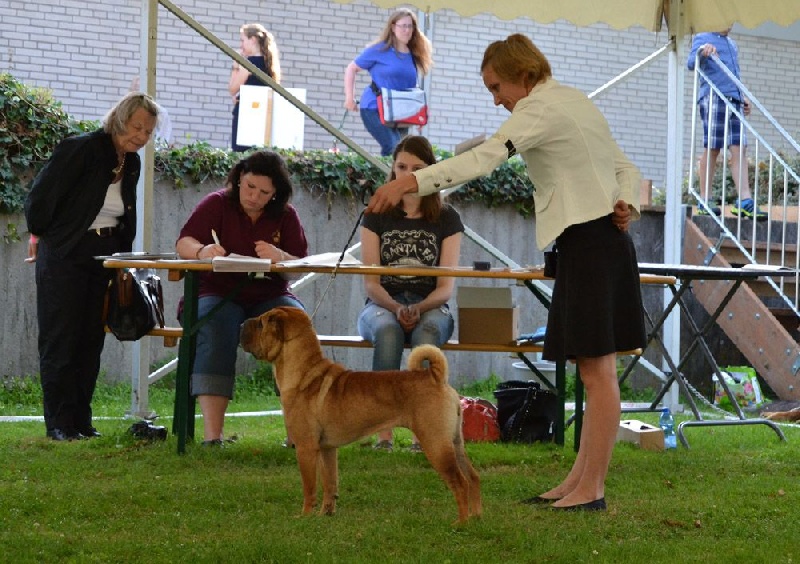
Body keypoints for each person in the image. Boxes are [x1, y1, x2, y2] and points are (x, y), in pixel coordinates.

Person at [366, 34, 644, 511]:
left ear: (525, 75)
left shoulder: (538, 108)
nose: (496, 99)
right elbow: (625, 167)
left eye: (497, 87)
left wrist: (412, 182)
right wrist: (626, 200)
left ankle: (591, 489)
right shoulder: (574, 101)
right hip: (591, 242)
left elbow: (486, 156)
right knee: (592, 371)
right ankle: (578, 482)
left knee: (598, 374)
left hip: (592, 244)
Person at [24, 92, 161, 441]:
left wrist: (124, 259)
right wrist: (40, 235)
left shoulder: (131, 162)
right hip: (67, 251)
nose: (142, 136)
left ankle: (81, 421)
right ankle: (59, 424)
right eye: (137, 127)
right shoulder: (82, 148)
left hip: (105, 255)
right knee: (61, 338)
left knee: (90, 339)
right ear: (120, 119)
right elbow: (41, 197)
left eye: (148, 131)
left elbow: (124, 212)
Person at [175, 150, 308, 446]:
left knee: (295, 324)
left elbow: (300, 264)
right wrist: (202, 251)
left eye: (264, 193)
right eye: (249, 187)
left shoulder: (286, 215)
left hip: (270, 293)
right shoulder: (216, 203)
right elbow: (184, 242)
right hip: (217, 291)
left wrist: (281, 256)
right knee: (215, 325)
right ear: (238, 180)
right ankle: (213, 436)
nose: (254, 197)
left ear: (276, 194)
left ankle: (297, 434)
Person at [357, 136, 463, 452]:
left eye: (416, 169)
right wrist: (395, 307)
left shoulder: (447, 218)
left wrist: (419, 307)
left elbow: (445, 288)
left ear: (430, 172)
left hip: (432, 304)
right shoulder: (375, 214)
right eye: (401, 167)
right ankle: (383, 435)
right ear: (392, 168)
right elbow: (371, 283)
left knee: (426, 335)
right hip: (381, 302)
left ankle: (424, 434)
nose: (407, 175)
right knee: (388, 332)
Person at [687, 27, 765, 219]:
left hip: (734, 100)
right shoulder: (703, 37)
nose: (729, 24)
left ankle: (745, 200)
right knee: (713, 148)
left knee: (739, 148)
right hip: (714, 97)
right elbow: (691, 63)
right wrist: (702, 51)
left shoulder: (732, 44)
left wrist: (741, 96)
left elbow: (733, 75)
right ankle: (705, 199)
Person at [343, 9, 432, 156]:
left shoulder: (413, 54)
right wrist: (349, 98)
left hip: (400, 111)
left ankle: (386, 171)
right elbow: (351, 69)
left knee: (403, 152)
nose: (407, 30)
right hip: (374, 107)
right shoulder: (379, 49)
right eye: (403, 26)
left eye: (410, 26)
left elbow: (410, 88)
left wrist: (422, 109)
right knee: (393, 146)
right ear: (393, 27)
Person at [229, 23, 281, 152]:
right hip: (262, 119)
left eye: (243, 40)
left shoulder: (249, 63)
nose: (241, 45)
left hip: (246, 118)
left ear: (252, 39)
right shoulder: (269, 64)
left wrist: (235, 65)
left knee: (241, 154)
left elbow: (232, 89)